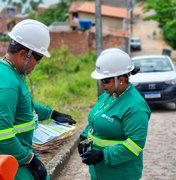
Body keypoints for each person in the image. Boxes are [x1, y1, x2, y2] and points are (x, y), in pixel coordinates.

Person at [0, 19, 76, 180]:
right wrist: (31, 160)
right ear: (23, 54)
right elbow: (2, 135)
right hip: (14, 162)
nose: (38, 64)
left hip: (20, 155)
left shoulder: (11, 73)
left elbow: (25, 104)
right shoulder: (9, 84)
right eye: (39, 57)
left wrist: (52, 114)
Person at [78, 48, 151, 180]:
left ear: (121, 79)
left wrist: (103, 155)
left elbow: (135, 145)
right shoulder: (109, 95)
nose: (102, 85)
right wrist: (84, 137)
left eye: (106, 81)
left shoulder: (135, 106)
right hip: (100, 171)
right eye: (101, 81)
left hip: (120, 173)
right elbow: (95, 120)